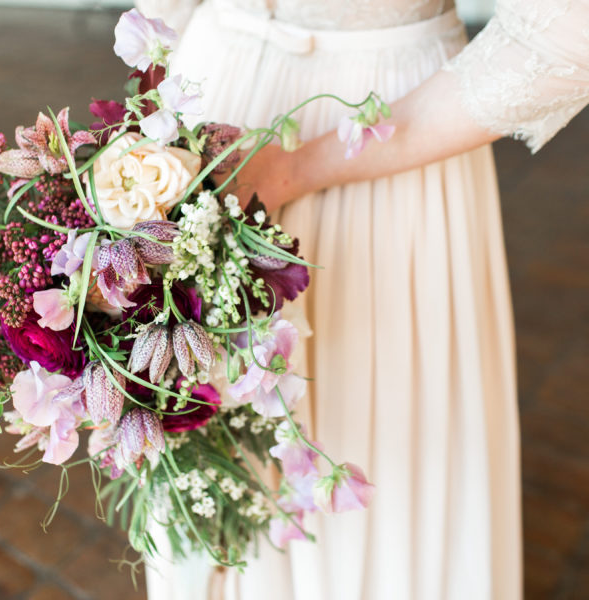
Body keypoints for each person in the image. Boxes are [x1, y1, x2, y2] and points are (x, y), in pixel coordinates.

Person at [135, 1, 589, 599]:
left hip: (388, 124)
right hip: (209, 97)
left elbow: (568, 32)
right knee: (202, 429)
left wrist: (295, 169)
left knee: (379, 427)